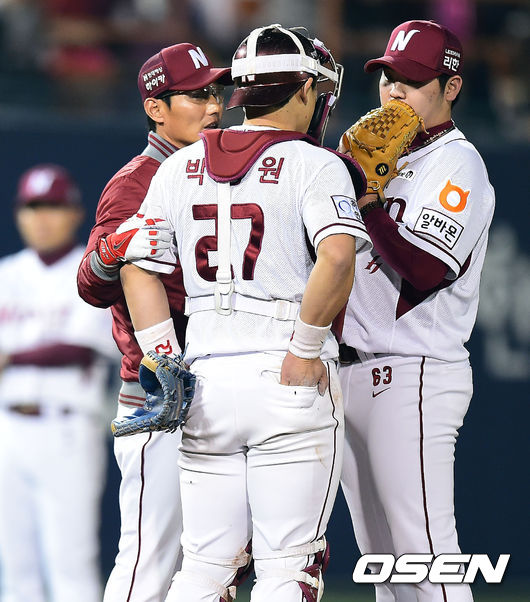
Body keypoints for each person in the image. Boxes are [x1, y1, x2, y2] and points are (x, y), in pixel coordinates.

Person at [116, 23, 372, 602]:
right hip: (286, 371)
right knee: (286, 569)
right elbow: (337, 257)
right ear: (303, 89)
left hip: (206, 376)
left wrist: (163, 360)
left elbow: (135, 264)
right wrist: (305, 348)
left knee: (203, 569)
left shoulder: (177, 167)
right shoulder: (314, 163)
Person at [337, 20, 495, 602]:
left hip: (413, 374)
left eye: (412, 79)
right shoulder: (368, 159)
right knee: (387, 571)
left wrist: (368, 204)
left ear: (450, 88)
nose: (395, 91)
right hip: (350, 372)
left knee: (426, 561)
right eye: (387, 77)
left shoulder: (458, 163)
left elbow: (426, 271)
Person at [76, 43, 231, 601]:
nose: (213, 105)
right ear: (155, 109)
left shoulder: (223, 170)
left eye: (215, 92)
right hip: (156, 393)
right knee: (149, 561)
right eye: (196, 95)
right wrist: (115, 248)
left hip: (218, 387)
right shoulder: (136, 182)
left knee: (213, 563)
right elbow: (90, 282)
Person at [0, 164, 116, 602]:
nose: (42, 217)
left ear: (74, 214)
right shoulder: (6, 274)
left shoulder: (89, 272)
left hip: (67, 428)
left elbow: (81, 348)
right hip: (8, 429)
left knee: (71, 565)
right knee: (16, 572)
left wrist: (11, 358)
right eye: (33, 207)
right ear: (19, 214)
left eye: (52, 206)